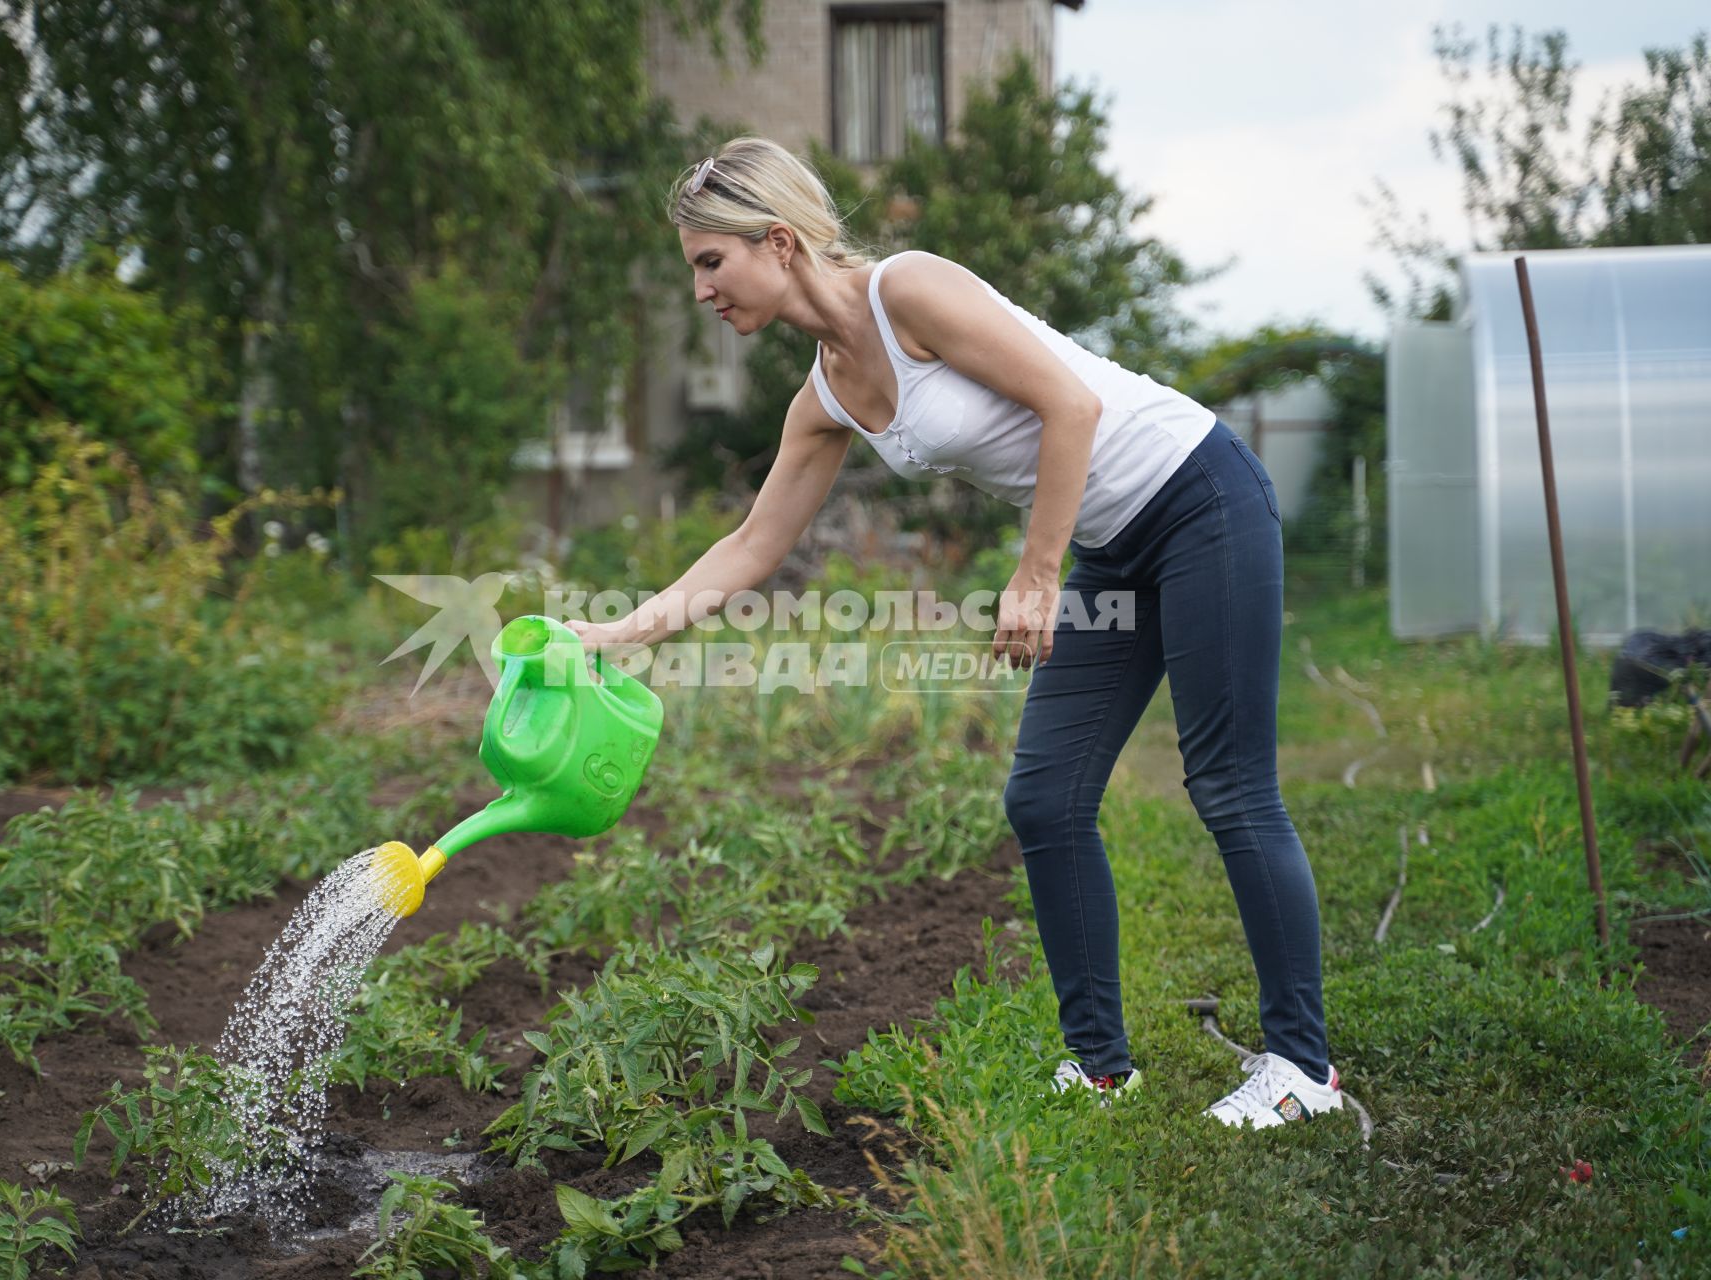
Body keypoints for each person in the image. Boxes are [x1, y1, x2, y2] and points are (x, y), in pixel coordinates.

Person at [565, 136, 1339, 1129]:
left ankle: (1302, 1068)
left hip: (1197, 497)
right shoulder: (827, 393)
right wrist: (623, 631)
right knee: (1044, 798)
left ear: (779, 240)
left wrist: (1036, 570)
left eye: (711, 261)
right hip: (1112, 540)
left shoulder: (909, 290)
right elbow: (753, 544)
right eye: (695, 270)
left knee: (1228, 782)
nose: (703, 291)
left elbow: (1073, 403)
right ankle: (1101, 1065)